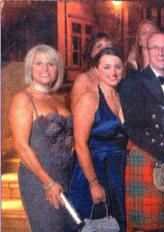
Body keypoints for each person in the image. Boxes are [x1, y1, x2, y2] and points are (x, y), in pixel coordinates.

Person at [119, 32, 164, 231]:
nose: (161, 52)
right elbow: (135, 127)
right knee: (145, 226)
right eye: (155, 48)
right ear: (147, 52)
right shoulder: (132, 82)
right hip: (146, 154)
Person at [10, 44, 73, 231]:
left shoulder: (58, 98)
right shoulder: (23, 98)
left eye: (50, 64)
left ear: (58, 69)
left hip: (65, 176)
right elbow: (21, 147)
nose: (45, 68)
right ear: (30, 68)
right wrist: (48, 182)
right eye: (39, 63)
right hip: (40, 178)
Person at [68, 48, 127, 231]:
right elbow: (80, 144)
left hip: (118, 172)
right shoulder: (89, 98)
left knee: (115, 225)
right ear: (97, 70)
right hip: (94, 172)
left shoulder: (122, 97)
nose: (113, 72)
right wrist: (93, 183)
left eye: (117, 66)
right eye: (107, 67)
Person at [70, 32, 113, 110]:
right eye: (99, 46)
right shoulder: (83, 79)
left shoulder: (114, 78)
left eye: (107, 47)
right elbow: (76, 113)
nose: (103, 50)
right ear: (90, 51)